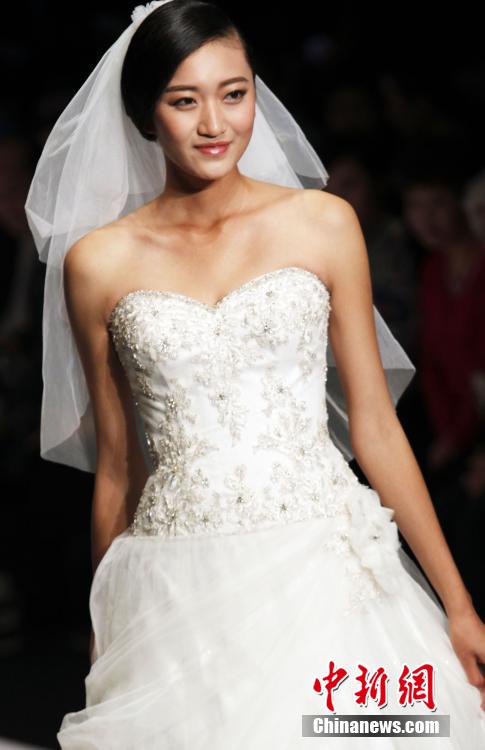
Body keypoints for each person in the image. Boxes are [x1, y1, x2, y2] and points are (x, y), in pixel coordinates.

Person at [24, 1, 485, 747]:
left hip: (326, 572)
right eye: (184, 100)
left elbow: (375, 426)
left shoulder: (321, 223)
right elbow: (118, 465)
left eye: (233, 93)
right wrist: (109, 631)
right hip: (177, 588)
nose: (215, 123)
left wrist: (458, 606)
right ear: (144, 115)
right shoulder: (99, 263)